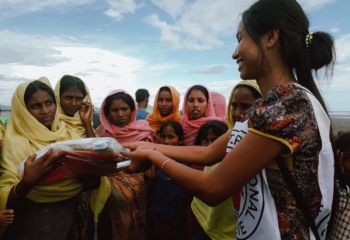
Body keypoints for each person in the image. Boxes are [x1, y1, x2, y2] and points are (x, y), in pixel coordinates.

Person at [124, 0, 336, 239]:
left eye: (240, 39)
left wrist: (153, 156)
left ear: (270, 37)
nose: (234, 53)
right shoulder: (274, 104)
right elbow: (208, 153)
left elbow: (212, 188)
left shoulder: (288, 106)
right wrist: (147, 145)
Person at [0, 78, 111, 239]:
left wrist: (90, 171)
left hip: (70, 218)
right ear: (23, 109)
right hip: (32, 222)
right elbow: (6, 198)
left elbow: (92, 183)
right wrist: (27, 182)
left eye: (49, 103)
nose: (45, 111)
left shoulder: (68, 134)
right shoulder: (16, 141)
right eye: (36, 106)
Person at [96, 90, 153, 240]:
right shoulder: (101, 133)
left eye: (124, 109)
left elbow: (147, 168)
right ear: (107, 113)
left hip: (136, 192)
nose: (120, 114)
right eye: (115, 110)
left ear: (132, 110)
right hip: (106, 197)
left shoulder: (143, 131)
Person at [148, 120, 191, 240]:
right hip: (156, 217)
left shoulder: (184, 164)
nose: (166, 141)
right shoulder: (153, 160)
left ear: (180, 140)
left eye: (171, 137)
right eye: (163, 137)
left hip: (176, 220)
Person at [192, 120, 230, 240]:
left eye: (215, 140)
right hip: (200, 220)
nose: (210, 145)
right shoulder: (195, 166)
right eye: (205, 140)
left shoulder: (233, 166)